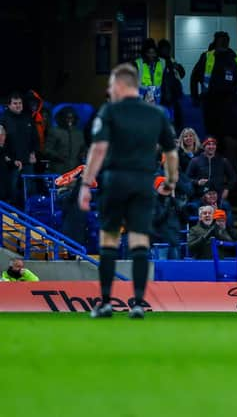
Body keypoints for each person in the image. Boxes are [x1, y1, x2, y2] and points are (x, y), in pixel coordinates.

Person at [78, 63, 179, 319]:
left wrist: (86, 184)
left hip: (115, 179)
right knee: (139, 240)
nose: (109, 89)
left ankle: (105, 302)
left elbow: (99, 149)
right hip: (144, 182)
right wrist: (171, 181)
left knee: (109, 239)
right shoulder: (156, 113)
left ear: (122, 85)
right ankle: (137, 304)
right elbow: (171, 151)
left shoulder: (110, 111)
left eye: (112, 84)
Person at [190, 31, 237, 137]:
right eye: (220, 40)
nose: (223, 43)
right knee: (212, 133)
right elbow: (194, 77)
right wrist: (195, 97)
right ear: (216, 41)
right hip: (211, 102)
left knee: (228, 133)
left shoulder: (236, 57)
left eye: (225, 40)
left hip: (231, 103)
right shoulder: (207, 56)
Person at [1, 92, 39, 206]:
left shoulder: (27, 118)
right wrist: (8, 158)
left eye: (20, 103)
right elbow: (2, 143)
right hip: (11, 163)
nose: (18, 105)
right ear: (8, 105)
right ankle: (10, 216)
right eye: (15, 103)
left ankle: (29, 215)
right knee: (11, 190)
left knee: (30, 190)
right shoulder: (3, 120)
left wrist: (33, 152)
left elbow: (34, 137)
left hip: (27, 160)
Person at [45, 106, 87, 174]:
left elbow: (83, 147)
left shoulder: (79, 133)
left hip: (75, 171)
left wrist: (84, 153)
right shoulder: (54, 131)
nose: (70, 120)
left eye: (72, 118)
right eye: (67, 118)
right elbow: (47, 150)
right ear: (62, 118)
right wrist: (58, 156)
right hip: (58, 170)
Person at [133, 38, 166, 105]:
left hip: (157, 95)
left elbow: (165, 79)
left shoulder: (162, 62)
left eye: (154, 52)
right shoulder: (138, 63)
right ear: (145, 53)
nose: (152, 55)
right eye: (149, 53)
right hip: (143, 94)